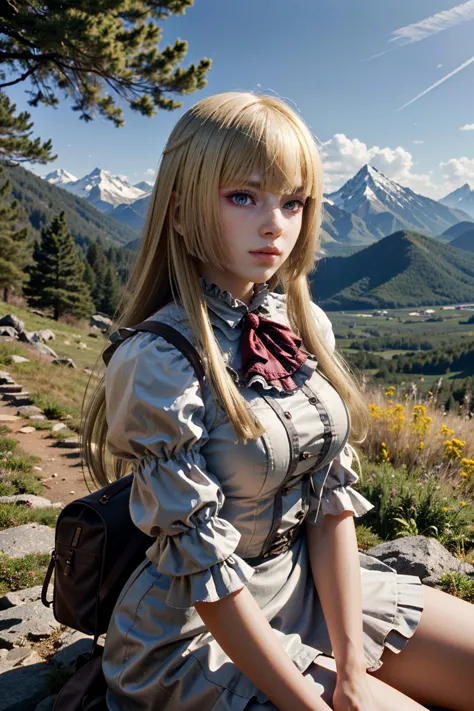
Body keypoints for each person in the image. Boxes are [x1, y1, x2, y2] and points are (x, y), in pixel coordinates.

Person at [82, 91, 474, 711]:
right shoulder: (156, 360)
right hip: (196, 627)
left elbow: (328, 503)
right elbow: (201, 567)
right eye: (243, 196)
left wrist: (349, 668)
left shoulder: (301, 320)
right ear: (181, 213)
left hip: (308, 586)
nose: (275, 225)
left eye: (293, 202)